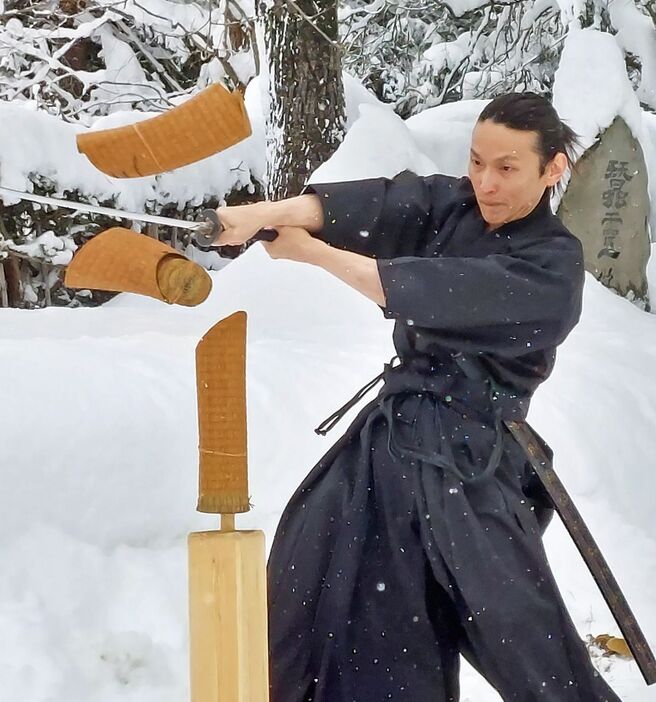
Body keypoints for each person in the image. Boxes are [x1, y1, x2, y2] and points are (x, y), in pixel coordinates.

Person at [216, 92, 622, 702]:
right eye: (477, 161)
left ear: (552, 170)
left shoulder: (552, 265)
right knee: (322, 581)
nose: (485, 181)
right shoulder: (455, 204)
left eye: (508, 168)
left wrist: (314, 255)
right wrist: (265, 214)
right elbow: (383, 205)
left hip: (472, 461)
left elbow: (432, 291)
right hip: (390, 441)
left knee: (520, 635)